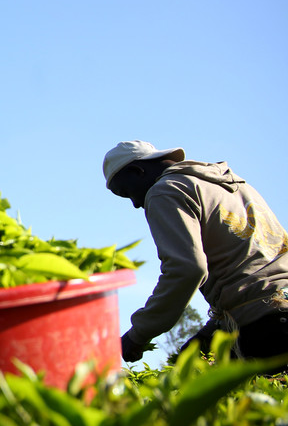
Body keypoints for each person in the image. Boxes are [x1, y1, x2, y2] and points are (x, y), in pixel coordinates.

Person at [102, 140, 288, 364]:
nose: (134, 204)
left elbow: (187, 269)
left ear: (137, 171)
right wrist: (206, 335)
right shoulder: (234, 184)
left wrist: (138, 334)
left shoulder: (165, 190)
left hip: (267, 325)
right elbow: (250, 274)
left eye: (126, 192)